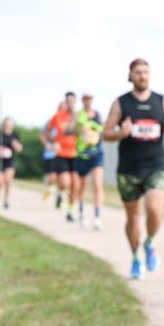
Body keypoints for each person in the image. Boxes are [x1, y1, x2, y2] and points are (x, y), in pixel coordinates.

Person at [103, 58, 164, 280]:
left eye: (145, 72)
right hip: (128, 169)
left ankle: (150, 242)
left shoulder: (160, 100)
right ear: (130, 76)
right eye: (138, 72)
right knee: (133, 217)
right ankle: (135, 257)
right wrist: (121, 133)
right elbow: (106, 133)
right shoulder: (121, 103)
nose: (142, 76)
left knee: (155, 210)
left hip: (155, 166)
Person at [73, 93, 105, 230]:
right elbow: (71, 130)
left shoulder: (98, 115)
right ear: (82, 101)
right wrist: (80, 129)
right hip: (82, 155)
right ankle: (82, 214)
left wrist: (95, 134)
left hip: (96, 154)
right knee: (82, 187)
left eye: (90, 99)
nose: (87, 101)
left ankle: (97, 217)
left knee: (98, 185)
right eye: (85, 99)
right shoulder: (78, 115)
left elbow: (102, 131)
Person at [48, 92, 80, 222]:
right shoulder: (58, 116)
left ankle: (70, 211)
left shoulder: (79, 116)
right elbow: (47, 131)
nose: (71, 103)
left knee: (75, 185)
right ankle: (60, 194)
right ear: (65, 102)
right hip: (61, 154)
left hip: (76, 154)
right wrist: (53, 142)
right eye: (69, 101)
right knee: (65, 182)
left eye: (73, 101)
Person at [0, 117, 23, 209]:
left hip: (10, 161)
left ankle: (6, 201)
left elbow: (20, 148)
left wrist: (16, 146)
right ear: (3, 125)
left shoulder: (15, 136)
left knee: (8, 181)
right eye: (7, 124)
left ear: (12, 125)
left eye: (10, 125)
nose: (8, 126)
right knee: (0, 181)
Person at [40, 103, 62, 206]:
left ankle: (59, 196)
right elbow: (41, 135)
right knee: (52, 177)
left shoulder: (68, 122)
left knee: (62, 178)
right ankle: (49, 188)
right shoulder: (50, 122)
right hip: (51, 154)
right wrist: (47, 145)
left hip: (64, 154)